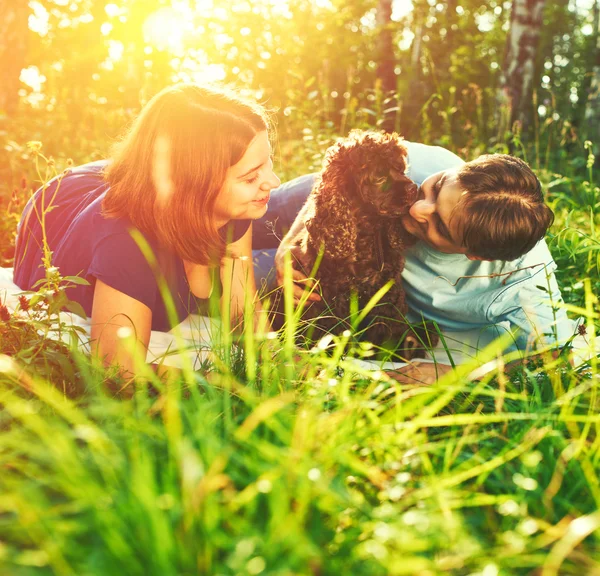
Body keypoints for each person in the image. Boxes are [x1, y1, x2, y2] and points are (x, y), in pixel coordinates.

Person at [251, 140, 579, 382]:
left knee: (230, 269)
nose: (418, 208)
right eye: (435, 188)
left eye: (439, 224)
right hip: (319, 201)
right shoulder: (427, 161)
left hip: (343, 262)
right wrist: (290, 243)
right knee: (227, 209)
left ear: (475, 255)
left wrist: (457, 375)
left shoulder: (523, 283)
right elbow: (342, 171)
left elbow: (564, 363)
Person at [14, 83, 280, 377]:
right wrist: (217, 384)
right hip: (61, 206)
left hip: (141, 186)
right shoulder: (126, 239)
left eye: (268, 164)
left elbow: (242, 308)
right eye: (251, 176)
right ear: (197, 185)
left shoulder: (233, 206)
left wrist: (290, 366)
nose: (274, 181)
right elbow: (119, 370)